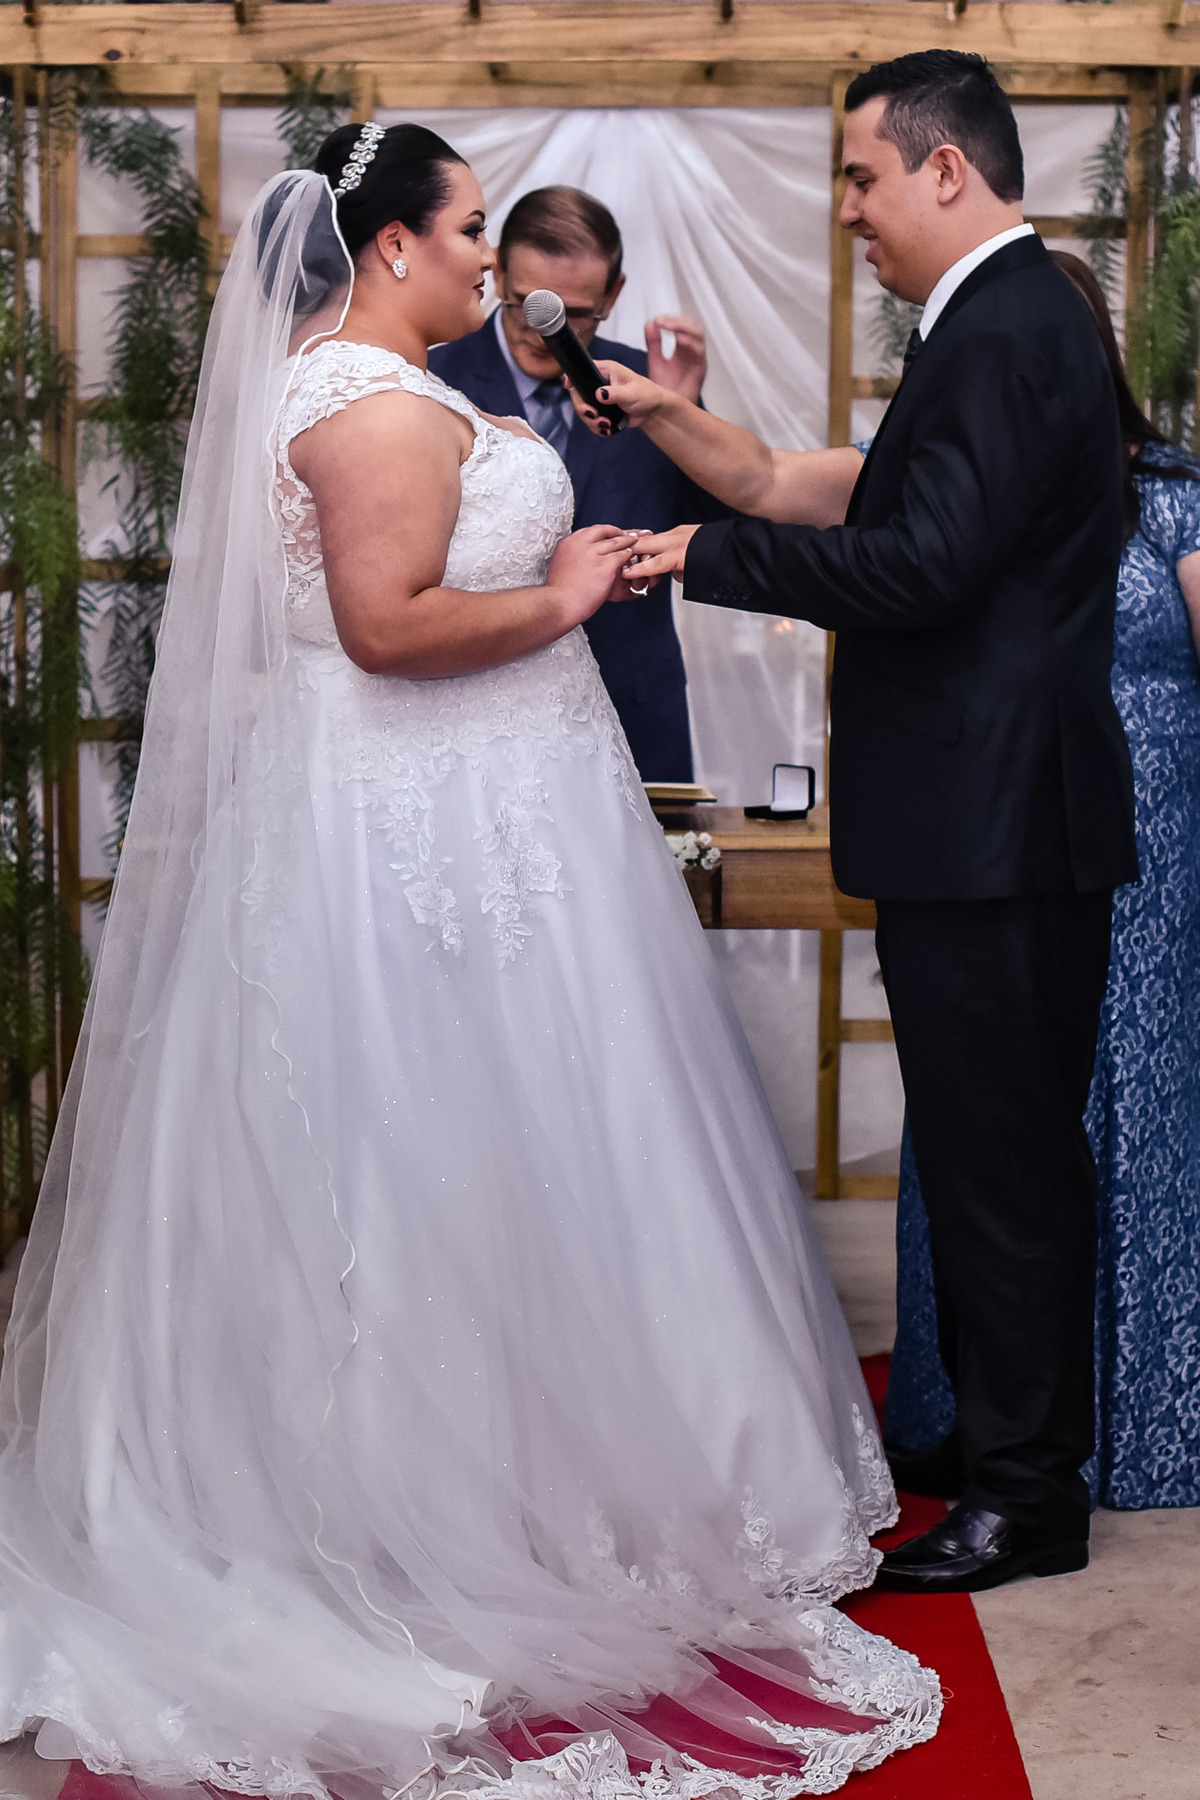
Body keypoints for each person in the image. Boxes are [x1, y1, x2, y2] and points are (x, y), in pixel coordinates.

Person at [0, 125, 941, 1799]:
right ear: (390, 250)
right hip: (428, 835)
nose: (482, 260)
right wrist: (563, 593)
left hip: (461, 820)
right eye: (466, 230)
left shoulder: (358, 378)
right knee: (448, 1157)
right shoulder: (370, 398)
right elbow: (387, 625)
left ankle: (540, 1480)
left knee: (505, 1157)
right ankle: (457, 1517)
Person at [597, 51, 1139, 1593]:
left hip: (997, 823)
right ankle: (991, 1441)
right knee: (984, 1152)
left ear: (946, 170)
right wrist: (705, 469)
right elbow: (889, 522)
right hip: (988, 818)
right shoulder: (1002, 321)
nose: (847, 209)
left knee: (1007, 1162)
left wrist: (708, 557)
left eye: (861, 176)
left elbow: (924, 571)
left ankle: (1029, 1495)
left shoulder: (1010, 325)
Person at [886, 251, 1200, 1513]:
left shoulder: (1171, 493)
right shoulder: (969, 494)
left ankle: (1142, 1413)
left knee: (1141, 1101)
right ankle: (974, 1408)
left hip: (1157, 834)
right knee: (1000, 1107)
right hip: (1011, 822)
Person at [430, 186, 723, 782]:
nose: (545, 333)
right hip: (472, 716)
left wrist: (683, 414)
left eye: (575, 315)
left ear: (614, 295)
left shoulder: (652, 383)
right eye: (525, 306)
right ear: (498, 272)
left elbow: (720, 530)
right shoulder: (433, 377)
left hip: (633, 707)